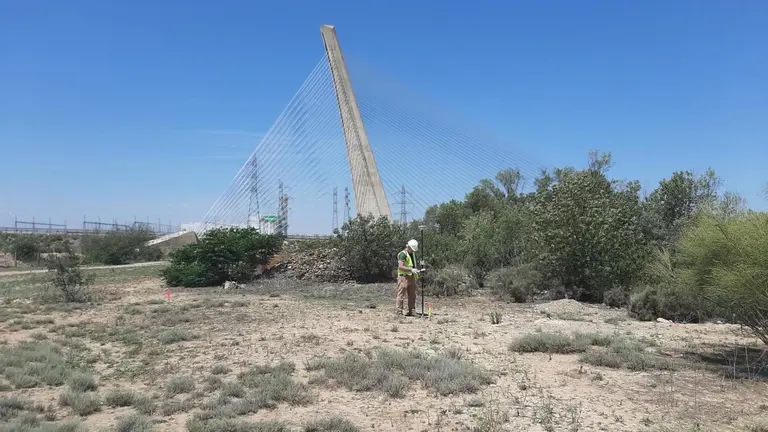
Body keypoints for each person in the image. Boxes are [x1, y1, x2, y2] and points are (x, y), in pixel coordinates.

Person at [396, 239, 420, 316]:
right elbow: (400, 266)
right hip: (403, 277)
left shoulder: (412, 255)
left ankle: (412, 311)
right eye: (412, 249)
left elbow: (412, 264)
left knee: (412, 295)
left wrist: (416, 270)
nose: (413, 251)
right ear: (408, 247)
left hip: (411, 277)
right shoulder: (402, 254)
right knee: (401, 294)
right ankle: (399, 311)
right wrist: (411, 270)